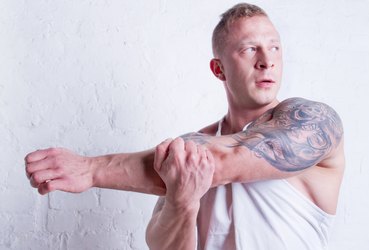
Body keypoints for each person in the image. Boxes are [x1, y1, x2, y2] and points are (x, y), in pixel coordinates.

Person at [25, 3, 345, 250]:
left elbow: (227, 160)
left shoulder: (314, 123)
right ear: (218, 69)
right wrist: (183, 202)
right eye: (249, 49)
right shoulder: (188, 147)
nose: (267, 60)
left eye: (274, 46)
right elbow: (161, 245)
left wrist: (92, 169)